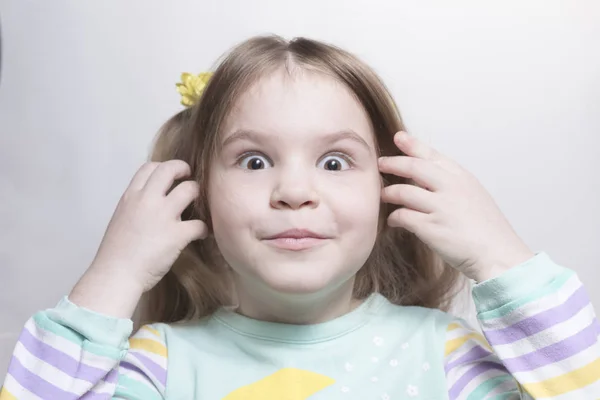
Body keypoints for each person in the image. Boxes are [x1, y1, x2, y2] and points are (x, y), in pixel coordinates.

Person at [1, 35, 598, 399]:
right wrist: (113, 279)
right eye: (254, 160)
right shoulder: (158, 365)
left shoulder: (445, 356)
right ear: (197, 193)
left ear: (389, 188)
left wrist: (502, 258)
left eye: (335, 162)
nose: (293, 191)